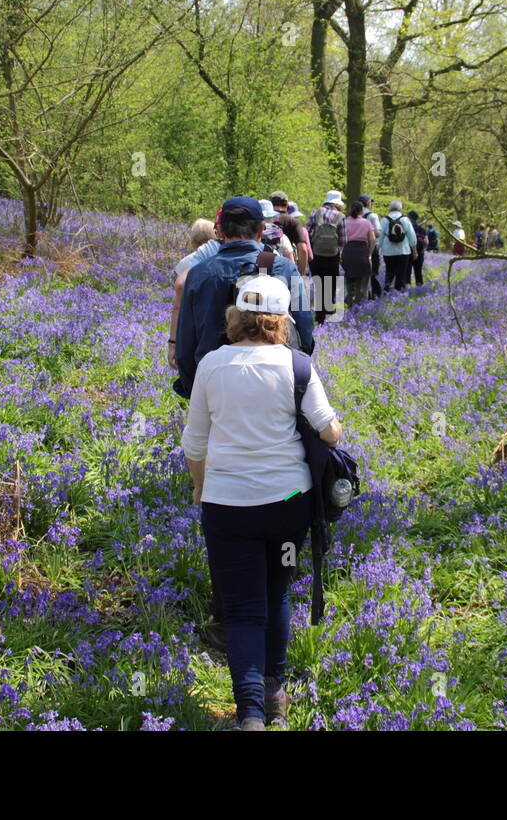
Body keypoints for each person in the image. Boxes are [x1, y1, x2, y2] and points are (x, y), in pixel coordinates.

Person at [181, 274, 341, 730]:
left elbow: (195, 444)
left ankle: (249, 715)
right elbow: (328, 430)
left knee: (243, 609)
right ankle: (275, 692)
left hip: (228, 507)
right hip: (288, 506)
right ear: (280, 321)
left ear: (237, 316)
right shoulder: (297, 365)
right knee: (278, 592)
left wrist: (200, 486)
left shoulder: (212, 365)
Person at [174, 196, 314, 400]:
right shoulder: (283, 267)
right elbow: (304, 326)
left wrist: (194, 389)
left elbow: (186, 340)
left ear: (220, 231)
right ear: (260, 231)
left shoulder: (199, 273)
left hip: (214, 385)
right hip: (272, 382)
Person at [169, 218, 219, 371]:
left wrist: (173, 342)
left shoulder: (185, 262)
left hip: (191, 325)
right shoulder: (223, 256)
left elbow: (178, 298)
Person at [306, 190, 346, 324]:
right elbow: (343, 239)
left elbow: (307, 231)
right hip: (332, 256)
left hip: (316, 255)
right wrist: (339, 253)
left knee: (318, 284)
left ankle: (319, 316)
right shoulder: (340, 216)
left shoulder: (316, 212)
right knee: (330, 284)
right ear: (337, 203)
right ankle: (329, 313)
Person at [340, 200, 376, 309]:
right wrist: (369, 253)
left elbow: (339, 240)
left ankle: (350, 304)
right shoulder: (366, 222)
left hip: (348, 252)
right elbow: (373, 240)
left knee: (350, 280)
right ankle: (361, 307)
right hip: (362, 253)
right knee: (362, 283)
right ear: (361, 211)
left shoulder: (344, 222)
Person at [379, 199, 417, 292]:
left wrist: (378, 248)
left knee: (389, 272)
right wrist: (414, 250)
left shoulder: (384, 220)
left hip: (388, 251)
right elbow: (412, 236)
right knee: (401, 274)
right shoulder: (405, 219)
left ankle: (386, 291)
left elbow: (380, 237)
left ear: (390, 208)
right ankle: (399, 294)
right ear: (400, 208)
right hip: (403, 251)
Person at [269, 191, 310, 275]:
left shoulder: (262, 220)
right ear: (287, 205)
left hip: (265, 267)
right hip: (287, 269)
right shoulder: (293, 222)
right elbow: (303, 250)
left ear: (271, 205)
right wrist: (300, 275)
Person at [359, 194, 383, 300]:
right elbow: (378, 233)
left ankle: (359, 297)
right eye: (371, 202)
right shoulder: (372, 216)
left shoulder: (352, 215)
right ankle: (374, 296)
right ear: (368, 203)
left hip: (356, 248)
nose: (372, 204)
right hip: (370, 248)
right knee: (373, 273)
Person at [408, 210, 428, 287]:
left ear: (409, 218)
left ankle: (407, 289)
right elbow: (426, 242)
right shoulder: (422, 229)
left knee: (407, 272)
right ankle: (419, 288)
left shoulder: (407, 228)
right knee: (418, 271)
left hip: (409, 252)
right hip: (420, 253)